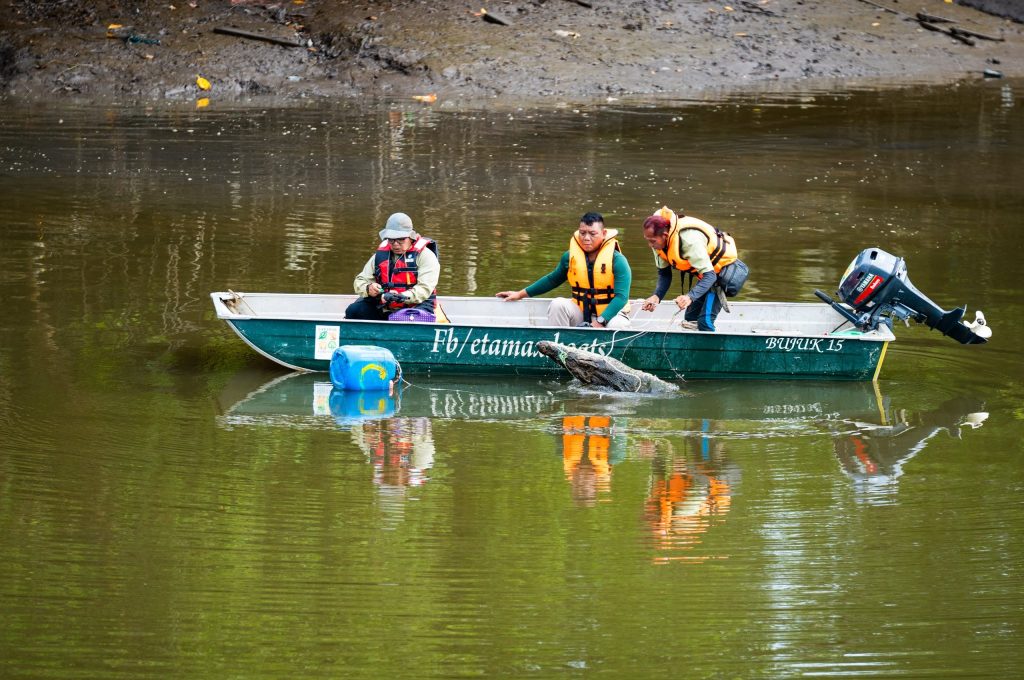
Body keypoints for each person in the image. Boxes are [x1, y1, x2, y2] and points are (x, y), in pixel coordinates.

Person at [495, 212, 632, 329]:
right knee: (558, 304)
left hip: (611, 316)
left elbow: (621, 297)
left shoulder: (618, 261)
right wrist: (520, 294)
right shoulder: (569, 257)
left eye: (592, 233)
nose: (586, 238)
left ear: (603, 234)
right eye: (582, 233)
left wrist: (600, 322)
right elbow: (552, 279)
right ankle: (560, 350)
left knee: (617, 326)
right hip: (582, 313)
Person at [640, 206, 746, 332]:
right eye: (648, 240)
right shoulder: (659, 243)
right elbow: (665, 275)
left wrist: (689, 297)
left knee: (705, 322)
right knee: (690, 319)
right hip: (705, 276)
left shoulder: (689, 241)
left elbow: (710, 276)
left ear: (665, 235)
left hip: (720, 275)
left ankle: (713, 350)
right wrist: (656, 296)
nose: (650, 245)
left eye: (652, 241)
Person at [345, 212, 440, 321]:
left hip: (416, 308)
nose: (395, 244)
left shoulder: (426, 256)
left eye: (401, 239)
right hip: (384, 306)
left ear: (411, 237)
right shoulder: (380, 256)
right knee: (354, 311)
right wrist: (368, 288)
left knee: (403, 318)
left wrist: (400, 297)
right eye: (391, 239)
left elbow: (424, 289)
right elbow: (360, 280)